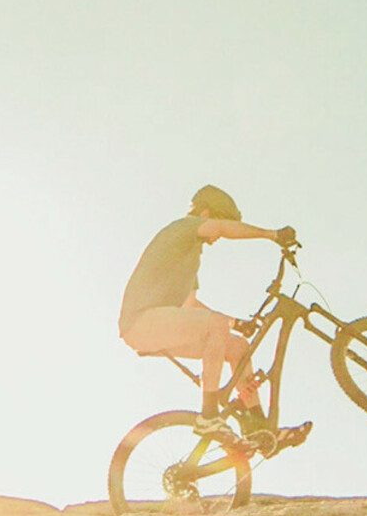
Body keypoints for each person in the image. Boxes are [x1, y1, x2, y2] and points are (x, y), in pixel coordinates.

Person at [119, 185, 305, 451]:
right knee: (215, 325)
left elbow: (190, 304)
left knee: (238, 346)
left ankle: (260, 428)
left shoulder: (189, 257)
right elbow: (219, 229)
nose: (218, 236)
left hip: (160, 325)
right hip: (141, 322)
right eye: (220, 221)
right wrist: (271, 235)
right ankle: (208, 416)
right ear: (206, 213)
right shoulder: (182, 228)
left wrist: (235, 323)